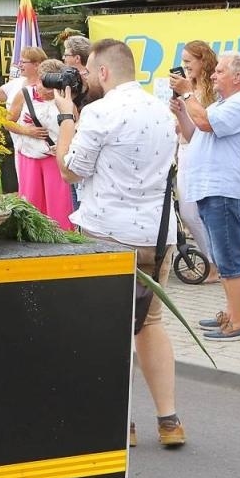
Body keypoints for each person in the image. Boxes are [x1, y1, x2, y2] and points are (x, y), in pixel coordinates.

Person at [54, 38, 184, 448]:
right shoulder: (161, 111)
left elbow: (71, 171)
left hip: (108, 235)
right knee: (150, 325)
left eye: (89, 71)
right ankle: (169, 421)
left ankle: (119, 423)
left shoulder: (98, 112)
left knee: (108, 329)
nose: (86, 78)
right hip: (158, 236)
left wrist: (64, 122)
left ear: (105, 72)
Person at [172, 53, 240, 341]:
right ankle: (232, 315)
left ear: (238, 77)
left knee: (230, 260)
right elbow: (194, 132)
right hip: (215, 191)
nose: (212, 75)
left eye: (219, 71)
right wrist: (181, 111)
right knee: (224, 259)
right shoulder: (223, 104)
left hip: (225, 191)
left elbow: (207, 123)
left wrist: (187, 93)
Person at [7, 57, 72, 230]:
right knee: (31, 205)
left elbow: (77, 125)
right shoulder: (25, 94)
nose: (48, 90)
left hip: (55, 158)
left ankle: (62, 242)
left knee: (59, 207)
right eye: (45, 84)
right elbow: (6, 121)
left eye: (52, 85)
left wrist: (65, 145)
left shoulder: (65, 98)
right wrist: (26, 131)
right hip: (30, 156)